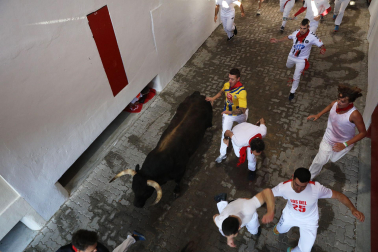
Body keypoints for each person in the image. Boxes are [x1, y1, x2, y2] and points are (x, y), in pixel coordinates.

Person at [272, 168, 365, 252]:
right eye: (296, 185)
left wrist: (352, 208)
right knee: (279, 230)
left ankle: (292, 250)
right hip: (290, 215)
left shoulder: (317, 189)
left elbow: (338, 195)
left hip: (309, 221)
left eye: (303, 186)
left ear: (308, 182)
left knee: (305, 250)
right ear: (292, 177)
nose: (299, 189)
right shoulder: (283, 187)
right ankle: (279, 227)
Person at [307, 85, 366, 179]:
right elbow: (330, 106)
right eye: (338, 99)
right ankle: (307, 179)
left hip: (343, 142)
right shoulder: (335, 104)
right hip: (328, 139)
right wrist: (318, 115)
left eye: (342, 101)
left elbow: (363, 133)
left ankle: (335, 153)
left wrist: (345, 145)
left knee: (333, 159)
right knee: (319, 161)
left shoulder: (354, 114)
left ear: (350, 102)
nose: (338, 102)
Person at [270, 19, 326, 101]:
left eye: (304, 28)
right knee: (288, 66)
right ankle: (292, 68)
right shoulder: (296, 32)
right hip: (291, 56)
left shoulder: (312, 36)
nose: (302, 30)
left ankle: (292, 92)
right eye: (301, 28)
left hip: (302, 60)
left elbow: (321, 45)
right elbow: (289, 37)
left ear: (308, 27)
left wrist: (322, 49)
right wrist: (278, 40)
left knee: (296, 77)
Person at [206, 68, 248, 163]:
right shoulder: (227, 85)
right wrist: (213, 98)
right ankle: (222, 154)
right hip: (227, 114)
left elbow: (242, 109)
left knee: (243, 132)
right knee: (224, 133)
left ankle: (244, 150)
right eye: (229, 78)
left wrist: (231, 112)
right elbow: (221, 92)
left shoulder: (242, 92)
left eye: (232, 79)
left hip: (239, 115)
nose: (230, 81)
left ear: (238, 79)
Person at [56, 229, 146, 252]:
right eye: (92, 251)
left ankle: (133, 238)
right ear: (79, 250)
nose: (96, 250)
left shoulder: (100, 249)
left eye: (95, 246)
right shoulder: (62, 251)